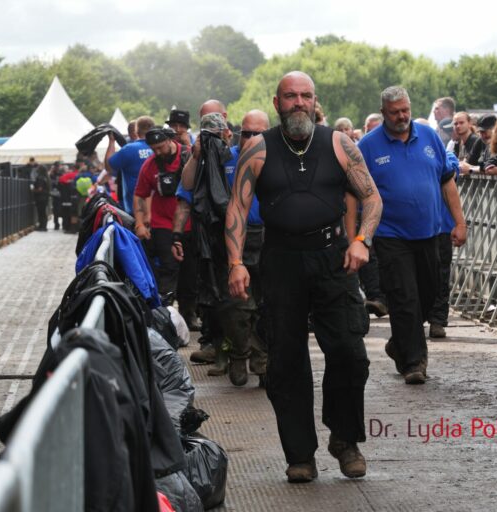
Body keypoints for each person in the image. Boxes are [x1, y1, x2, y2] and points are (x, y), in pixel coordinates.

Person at [224, 71, 383, 483]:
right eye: (290, 96)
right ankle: (300, 455)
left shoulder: (339, 143)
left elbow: (370, 196)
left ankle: (345, 440)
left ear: (315, 101)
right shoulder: (258, 149)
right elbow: (238, 209)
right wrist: (235, 262)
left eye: (305, 96)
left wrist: (361, 239)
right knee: (286, 362)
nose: (298, 103)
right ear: (277, 103)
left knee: (350, 352)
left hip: (333, 258)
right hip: (281, 261)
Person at [359, 86, 466, 379]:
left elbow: (447, 182)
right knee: (405, 297)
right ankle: (414, 363)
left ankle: (400, 343)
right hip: (391, 235)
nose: (402, 116)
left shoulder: (429, 136)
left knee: (429, 295)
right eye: (395, 112)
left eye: (405, 110)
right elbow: (356, 195)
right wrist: (359, 237)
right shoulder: (368, 146)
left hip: (430, 232)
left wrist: (460, 222)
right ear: (384, 113)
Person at [175, 109, 271, 387]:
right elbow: (188, 186)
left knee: (267, 305)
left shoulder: (277, 158)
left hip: (269, 237)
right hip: (229, 241)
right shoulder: (224, 156)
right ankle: (239, 353)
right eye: (247, 133)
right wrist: (196, 155)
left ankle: (262, 358)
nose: (251, 138)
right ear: (236, 132)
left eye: (258, 134)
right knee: (233, 305)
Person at [133, 128, 186, 299]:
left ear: (170, 140)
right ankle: (165, 312)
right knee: (168, 268)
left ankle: (190, 313)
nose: (157, 152)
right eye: (153, 148)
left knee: (191, 271)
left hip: (191, 223)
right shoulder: (150, 165)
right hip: (163, 224)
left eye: (160, 147)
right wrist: (140, 224)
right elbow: (140, 194)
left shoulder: (188, 156)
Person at [103, 116, 155, 215]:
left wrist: (112, 141)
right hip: (159, 209)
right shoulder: (162, 147)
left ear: (136, 131)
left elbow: (109, 167)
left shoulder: (129, 149)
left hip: (135, 208)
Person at [32, 165, 50, 231]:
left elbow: (40, 189)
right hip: (45, 197)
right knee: (43, 212)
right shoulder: (46, 178)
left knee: (41, 213)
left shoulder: (40, 178)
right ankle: (43, 226)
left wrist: (33, 190)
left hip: (40, 198)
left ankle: (42, 226)